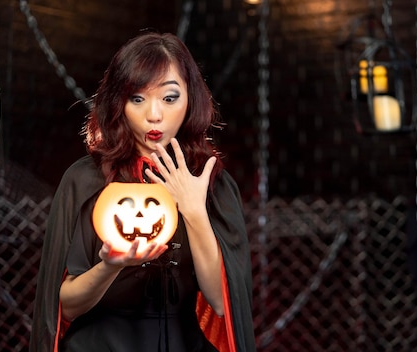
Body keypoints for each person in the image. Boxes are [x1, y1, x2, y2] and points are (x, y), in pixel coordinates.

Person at [29, 31, 256, 352]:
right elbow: (65, 306)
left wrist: (193, 210)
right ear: (119, 102)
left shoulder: (211, 181)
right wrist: (111, 265)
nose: (154, 114)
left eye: (169, 97)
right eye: (138, 98)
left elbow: (222, 304)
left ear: (191, 98)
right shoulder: (84, 179)